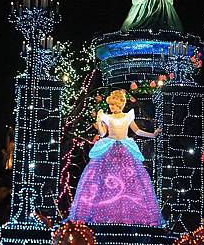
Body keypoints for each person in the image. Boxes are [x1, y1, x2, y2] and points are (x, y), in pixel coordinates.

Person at [67, 90, 165, 226]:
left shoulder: (128, 116)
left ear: (120, 104)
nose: (111, 107)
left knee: (128, 179)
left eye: (113, 105)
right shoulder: (107, 117)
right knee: (105, 179)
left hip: (125, 149)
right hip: (109, 149)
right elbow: (103, 134)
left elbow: (137, 131)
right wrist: (99, 121)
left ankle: (127, 215)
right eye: (110, 105)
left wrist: (153, 134)